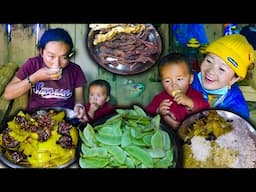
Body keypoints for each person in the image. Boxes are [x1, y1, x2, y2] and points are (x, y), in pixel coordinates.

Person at [3, 28, 87, 112]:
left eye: (64, 57)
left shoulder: (75, 70)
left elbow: (79, 100)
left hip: (66, 118)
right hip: (35, 118)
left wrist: (79, 106)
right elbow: (8, 94)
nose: (57, 63)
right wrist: (35, 78)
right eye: (51, 56)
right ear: (41, 51)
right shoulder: (33, 64)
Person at [192, 34, 255, 120]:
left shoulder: (237, 108)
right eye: (209, 61)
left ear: (234, 79)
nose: (211, 71)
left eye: (221, 69)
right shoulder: (186, 79)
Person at [145, 52, 210, 129]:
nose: (174, 85)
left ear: (190, 79)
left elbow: (207, 109)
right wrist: (158, 110)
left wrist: (190, 103)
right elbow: (147, 114)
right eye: (167, 81)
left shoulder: (196, 95)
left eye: (179, 79)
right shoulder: (159, 98)